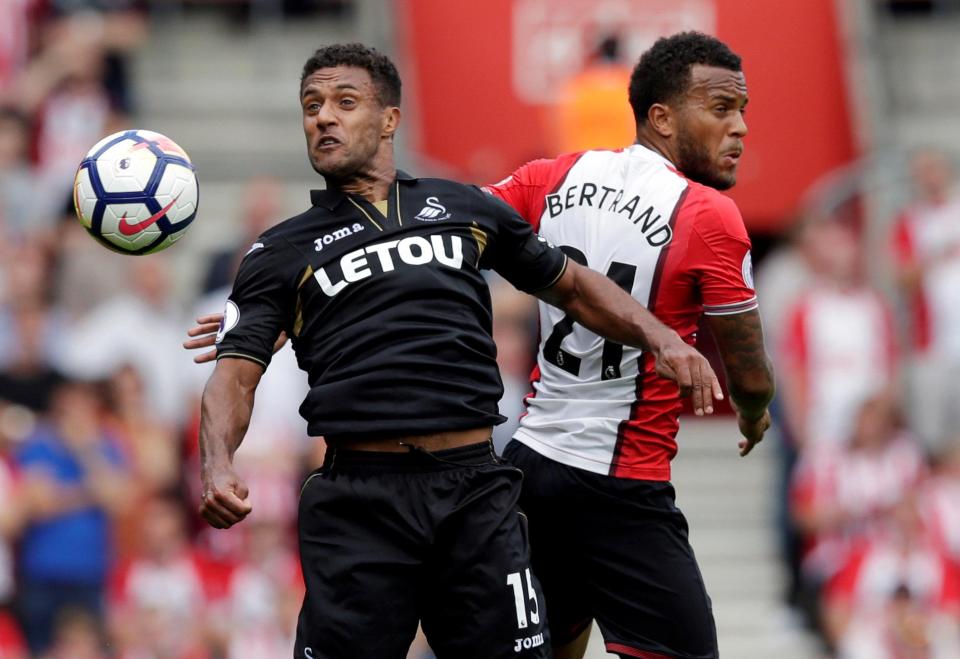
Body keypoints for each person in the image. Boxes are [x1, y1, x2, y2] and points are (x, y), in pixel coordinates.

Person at [188, 43, 721, 659]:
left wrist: (661, 337)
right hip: (362, 499)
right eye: (311, 106)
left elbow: (571, 284)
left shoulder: (465, 208)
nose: (323, 118)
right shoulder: (278, 251)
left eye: (344, 102)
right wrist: (217, 462)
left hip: (474, 492)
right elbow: (235, 375)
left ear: (389, 118)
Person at [484, 32, 775, 659]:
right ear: (662, 118)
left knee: (554, 644)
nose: (741, 127)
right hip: (619, 485)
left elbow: (458, 223)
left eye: (742, 110)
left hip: (531, 465)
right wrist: (754, 413)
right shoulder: (708, 214)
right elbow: (749, 374)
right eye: (722, 109)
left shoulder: (549, 177)